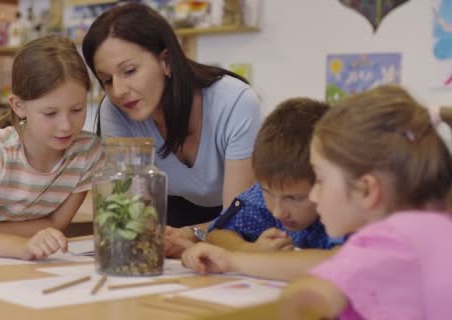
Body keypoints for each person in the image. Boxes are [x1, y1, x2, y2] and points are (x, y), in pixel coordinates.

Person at [81, 3, 262, 242]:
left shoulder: (236, 102)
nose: (119, 91)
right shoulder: (114, 111)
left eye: (129, 71)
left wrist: (190, 235)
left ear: (165, 61)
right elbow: (127, 210)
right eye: (106, 80)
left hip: (238, 223)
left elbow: (237, 219)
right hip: (171, 223)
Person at [277, 85, 452, 319]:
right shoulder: (440, 226)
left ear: (366, 190)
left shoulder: (386, 241)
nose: (313, 195)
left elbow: (307, 300)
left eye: (319, 179)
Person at [0, 35, 103, 260]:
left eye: (77, 109)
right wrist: (21, 246)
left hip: (27, 265)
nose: (66, 126)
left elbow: (56, 224)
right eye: (50, 113)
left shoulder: (87, 152)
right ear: (19, 106)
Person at [180, 98, 344, 281]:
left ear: (326, 180)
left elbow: (342, 262)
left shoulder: (347, 209)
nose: (278, 211)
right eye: (268, 192)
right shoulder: (261, 198)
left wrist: (236, 260)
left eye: (295, 198)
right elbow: (218, 232)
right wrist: (250, 250)